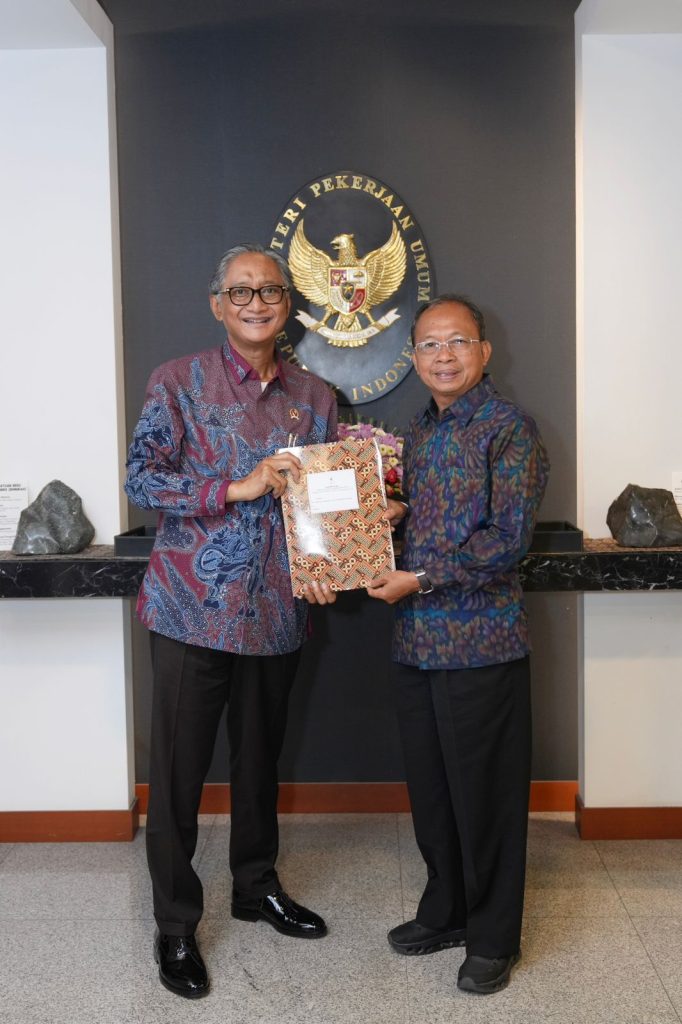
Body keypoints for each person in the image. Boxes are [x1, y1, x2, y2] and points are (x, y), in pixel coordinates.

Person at [124, 243, 337, 999]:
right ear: (218, 304)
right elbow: (142, 477)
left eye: (269, 291)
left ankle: (255, 886)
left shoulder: (315, 396)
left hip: (278, 609)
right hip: (191, 609)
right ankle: (176, 924)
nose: (255, 303)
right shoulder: (177, 381)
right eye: (240, 292)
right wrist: (234, 487)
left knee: (258, 764)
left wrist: (336, 557)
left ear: (288, 305)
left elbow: (324, 499)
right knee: (178, 776)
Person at [367, 294, 549, 995]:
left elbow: (507, 539)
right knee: (434, 792)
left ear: (484, 351)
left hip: (482, 641)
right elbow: (434, 516)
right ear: (414, 356)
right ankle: (445, 910)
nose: (443, 356)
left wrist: (419, 576)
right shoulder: (419, 430)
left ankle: (494, 937)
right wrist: (394, 513)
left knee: (487, 800)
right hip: (416, 642)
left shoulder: (509, 428)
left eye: (458, 342)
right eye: (430, 345)